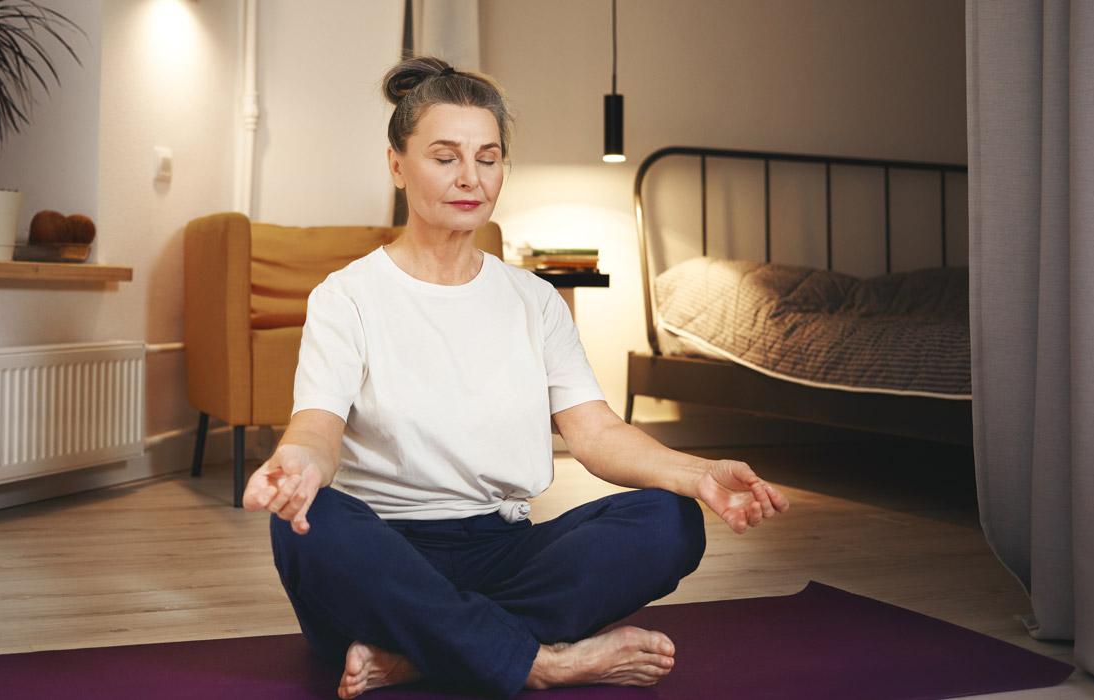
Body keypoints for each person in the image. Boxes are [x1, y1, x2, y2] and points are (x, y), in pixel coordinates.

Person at [244, 55, 790, 700]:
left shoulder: (535, 300)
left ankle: (424, 654)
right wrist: (299, 463)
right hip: (387, 552)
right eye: (444, 157)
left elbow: (595, 433)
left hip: (502, 547)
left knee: (668, 521)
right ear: (397, 164)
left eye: (488, 157)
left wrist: (696, 474)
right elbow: (318, 425)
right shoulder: (349, 296)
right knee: (307, 523)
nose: (470, 178)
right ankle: (544, 663)